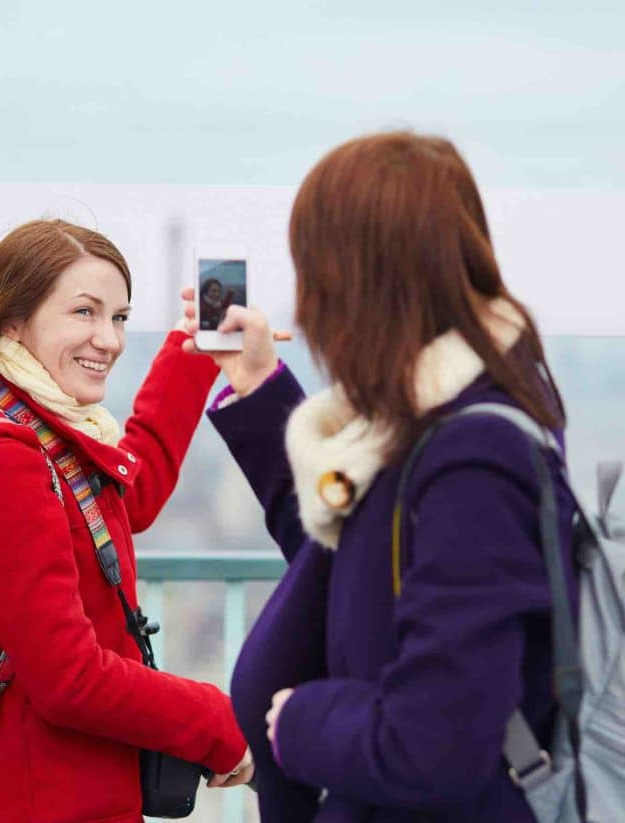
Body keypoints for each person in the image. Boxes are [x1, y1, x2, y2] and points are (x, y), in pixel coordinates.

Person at [182, 132, 577, 822]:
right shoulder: (423, 430)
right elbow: (340, 560)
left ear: (362, 281)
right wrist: (255, 386)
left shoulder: (474, 460)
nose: (305, 307)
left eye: (314, 272)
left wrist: (301, 720)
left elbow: (438, 741)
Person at [0, 219, 252, 823]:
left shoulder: (23, 428)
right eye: (84, 312)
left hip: (48, 795)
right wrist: (221, 723)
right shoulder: (5, 461)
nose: (110, 339)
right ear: (13, 321)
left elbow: (125, 497)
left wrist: (191, 352)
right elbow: (67, 678)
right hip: (50, 801)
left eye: (119, 317)